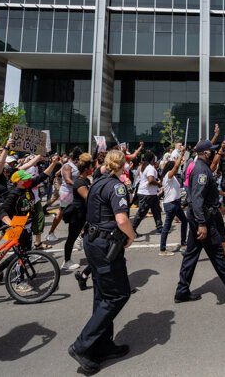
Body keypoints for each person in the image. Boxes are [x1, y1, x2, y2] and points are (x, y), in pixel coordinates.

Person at [69, 150, 136, 375]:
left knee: (102, 294)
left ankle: (102, 344)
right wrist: (132, 235)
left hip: (93, 242)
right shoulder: (116, 186)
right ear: (122, 166)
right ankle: (82, 345)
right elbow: (121, 219)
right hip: (105, 245)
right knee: (118, 294)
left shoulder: (96, 182)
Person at [174, 140, 225, 304]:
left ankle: (182, 291)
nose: (214, 153)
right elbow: (197, 198)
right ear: (205, 153)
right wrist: (202, 223)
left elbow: (209, 192)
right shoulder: (201, 170)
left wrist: (219, 205)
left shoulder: (203, 169)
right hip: (203, 220)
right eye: (211, 151)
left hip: (201, 217)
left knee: (190, 256)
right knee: (218, 255)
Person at [63, 153, 95, 270]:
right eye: (90, 168)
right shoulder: (80, 183)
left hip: (83, 214)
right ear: (86, 170)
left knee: (87, 235)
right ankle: (66, 261)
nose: (92, 169)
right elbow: (88, 197)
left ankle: (92, 255)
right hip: (77, 215)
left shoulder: (85, 180)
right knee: (71, 237)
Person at [158, 148, 188, 256]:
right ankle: (162, 249)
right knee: (166, 227)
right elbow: (176, 166)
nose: (176, 169)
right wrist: (181, 154)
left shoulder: (172, 178)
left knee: (184, 221)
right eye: (174, 168)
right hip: (171, 204)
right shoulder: (168, 176)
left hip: (175, 203)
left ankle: (183, 243)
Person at [131, 151, 163, 234]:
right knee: (142, 212)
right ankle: (132, 229)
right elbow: (151, 180)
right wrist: (159, 184)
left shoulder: (144, 166)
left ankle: (159, 227)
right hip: (146, 194)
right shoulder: (150, 168)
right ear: (152, 159)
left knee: (156, 210)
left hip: (150, 193)